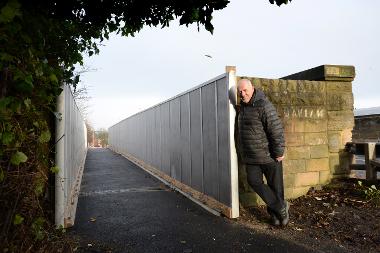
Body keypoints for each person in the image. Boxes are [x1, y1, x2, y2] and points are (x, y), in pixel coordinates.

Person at [237, 78, 289, 226]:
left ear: (252, 88)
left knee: (276, 188)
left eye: (245, 90)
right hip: (252, 158)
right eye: (240, 91)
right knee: (254, 181)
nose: (243, 94)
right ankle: (281, 207)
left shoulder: (264, 105)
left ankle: (276, 217)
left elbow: (276, 130)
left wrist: (279, 152)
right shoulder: (242, 108)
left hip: (269, 156)